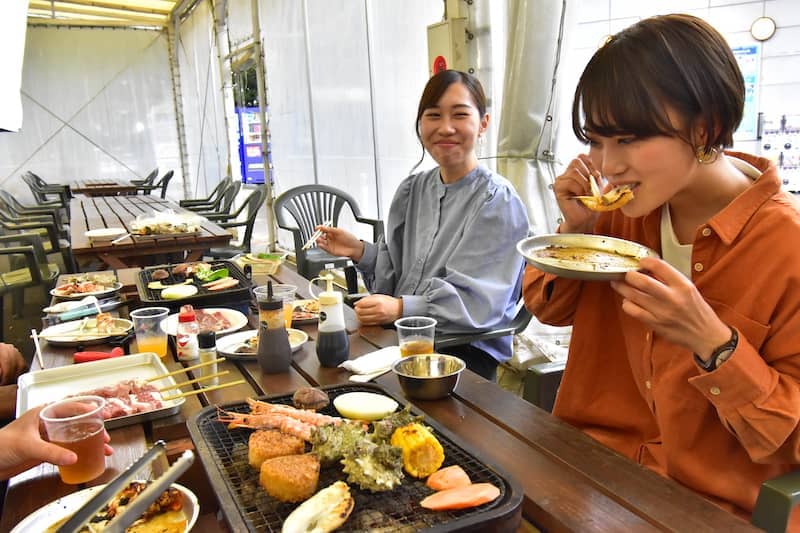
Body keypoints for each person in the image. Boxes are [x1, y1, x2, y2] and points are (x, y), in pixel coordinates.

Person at [523, 13, 800, 526]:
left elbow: (791, 439)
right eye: (597, 141)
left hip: (708, 505)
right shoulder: (617, 212)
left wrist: (715, 344)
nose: (607, 165)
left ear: (706, 127)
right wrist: (573, 228)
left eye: (627, 139)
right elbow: (548, 308)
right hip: (590, 471)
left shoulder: (787, 246)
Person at [317, 69, 529, 380]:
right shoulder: (412, 189)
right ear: (420, 125)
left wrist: (401, 309)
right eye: (433, 115)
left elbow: (477, 305)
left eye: (459, 115)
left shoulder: (497, 202)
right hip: (400, 338)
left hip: (461, 351)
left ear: (483, 123)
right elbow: (396, 278)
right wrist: (362, 251)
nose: (445, 128)